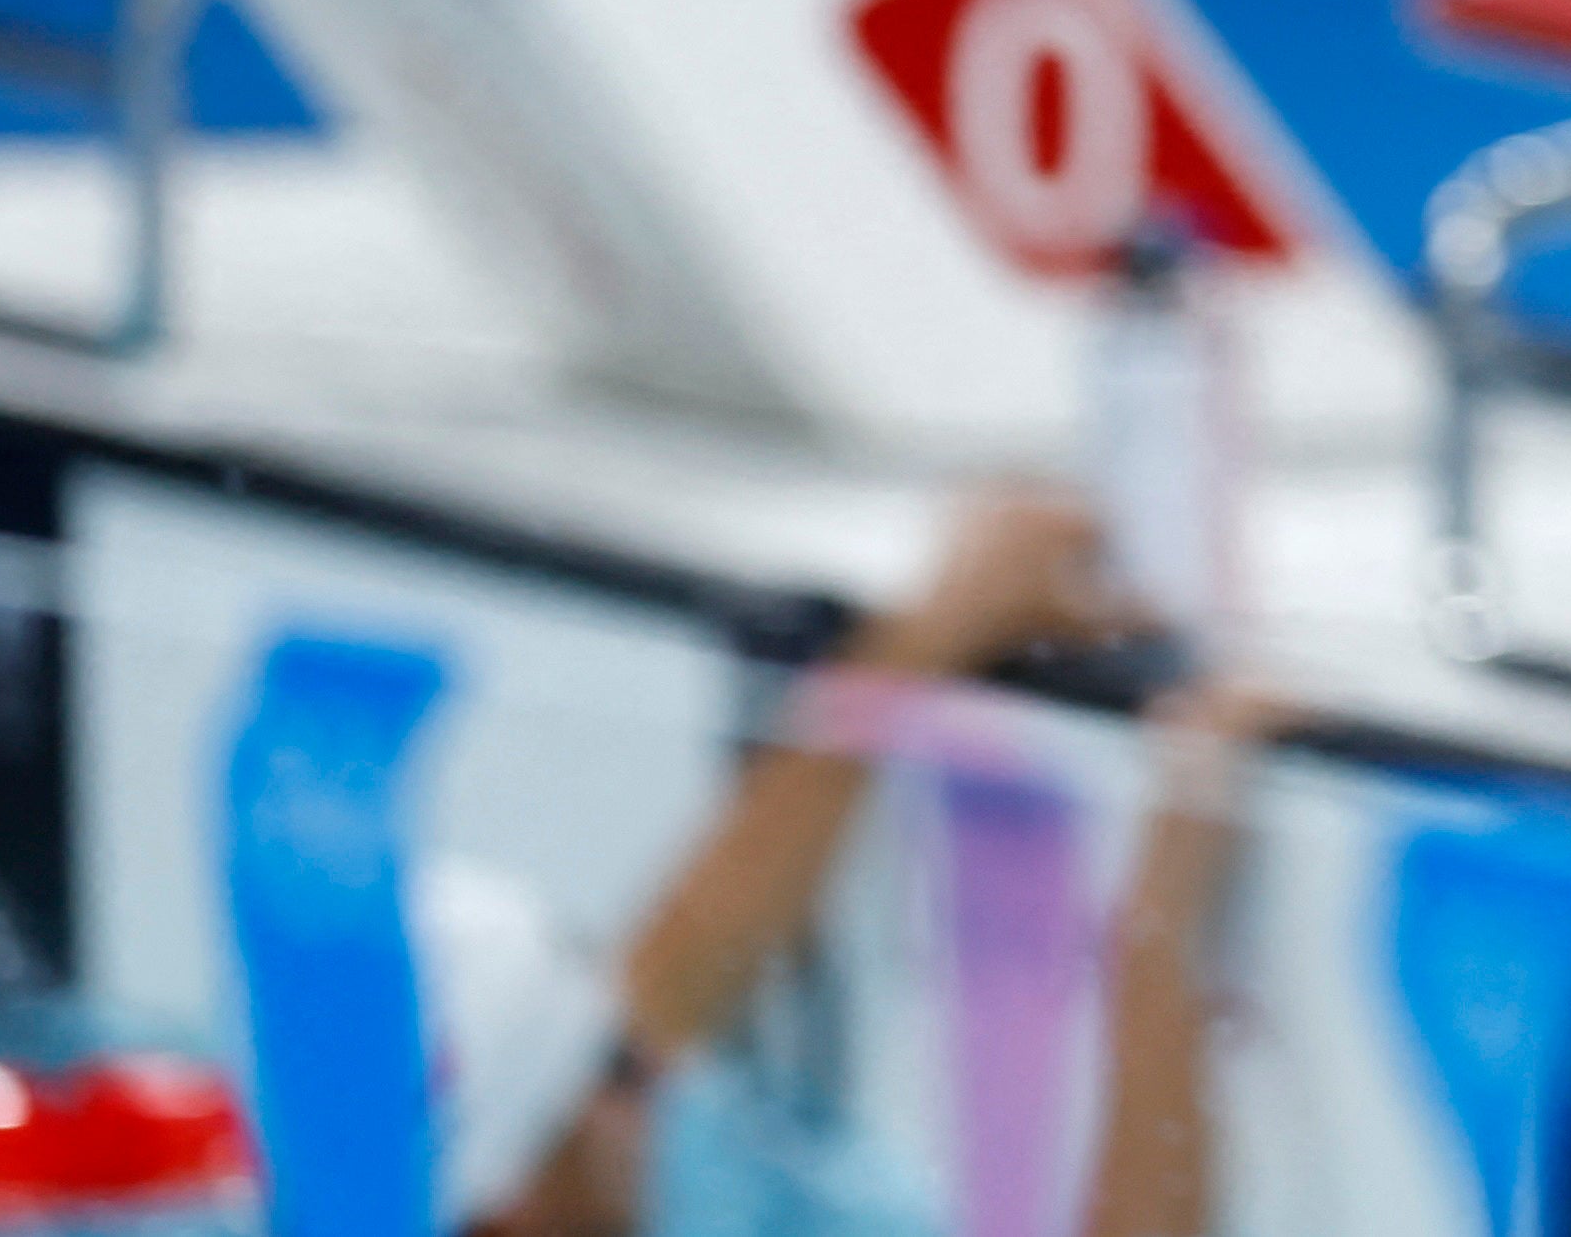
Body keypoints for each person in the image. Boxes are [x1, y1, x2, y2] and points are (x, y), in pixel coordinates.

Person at [445, 493, 1261, 1237]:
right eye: (618, 1066)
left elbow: (688, 958)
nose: (661, 1065)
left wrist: (937, 629)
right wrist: (1164, 912)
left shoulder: (587, 1182)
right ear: (507, 1206)